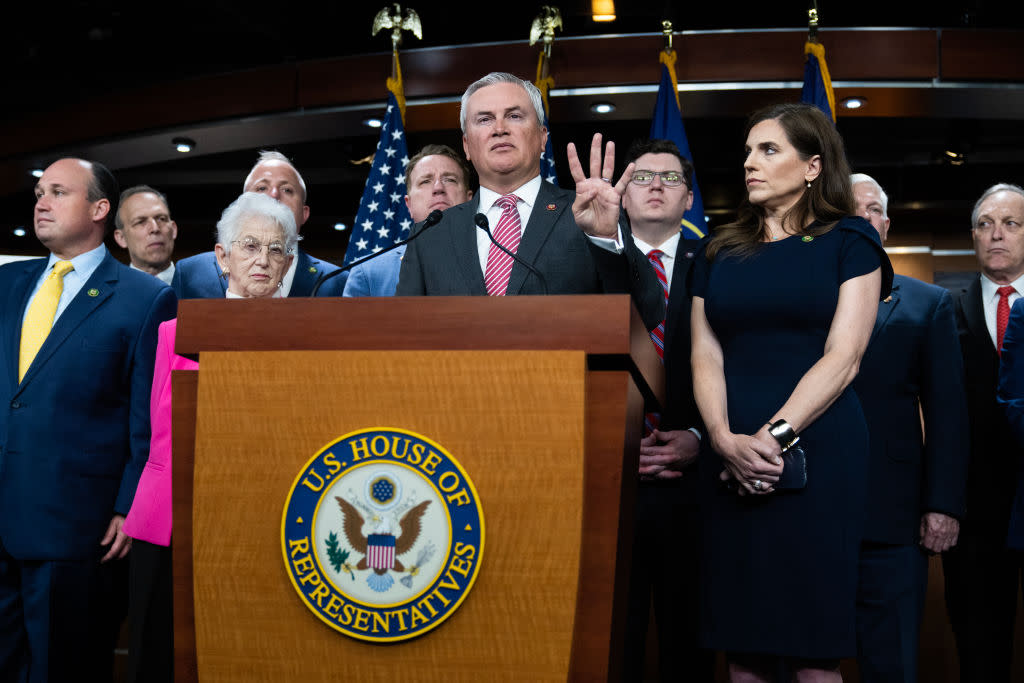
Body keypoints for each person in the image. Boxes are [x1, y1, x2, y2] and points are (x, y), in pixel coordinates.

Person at [689, 103, 892, 681]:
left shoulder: (850, 240)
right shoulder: (719, 249)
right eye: (748, 151)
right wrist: (724, 441)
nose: (749, 163)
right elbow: (705, 355)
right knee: (742, 645)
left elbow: (845, 356)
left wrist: (771, 440)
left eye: (768, 150)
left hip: (818, 454)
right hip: (729, 455)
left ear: (812, 166)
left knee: (813, 648)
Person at [0, 158, 177, 682]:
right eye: (39, 192)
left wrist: (129, 505)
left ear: (100, 209)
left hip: (79, 527)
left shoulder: (146, 298)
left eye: (58, 191)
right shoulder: (7, 283)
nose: (41, 202)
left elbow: (147, 416)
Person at [122, 191, 299, 682]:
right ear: (222, 257)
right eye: (249, 246)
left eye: (276, 249)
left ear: (288, 263)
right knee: (157, 658)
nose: (262, 260)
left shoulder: (303, 341)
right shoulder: (170, 332)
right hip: (170, 516)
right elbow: (145, 432)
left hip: (263, 519)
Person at [394, 71, 663, 331]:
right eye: (485, 119)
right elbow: (401, 331)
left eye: (514, 116)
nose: (499, 129)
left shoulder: (587, 214)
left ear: (542, 137)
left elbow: (648, 312)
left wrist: (605, 238)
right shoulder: (431, 234)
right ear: (466, 145)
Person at [849, 173, 969, 683]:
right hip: (806, 507)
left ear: (886, 224)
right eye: (848, 208)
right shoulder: (803, 295)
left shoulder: (927, 303)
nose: (862, 218)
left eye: (872, 209)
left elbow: (947, 411)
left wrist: (942, 504)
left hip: (894, 514)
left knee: (892, 662)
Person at [619, 138, 714, 681]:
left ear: (688, 197)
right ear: (623, 193)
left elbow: (742, 366)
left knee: (690, 647)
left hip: (694, 490)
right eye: (643, 176)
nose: (656, 185)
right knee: (613, 643)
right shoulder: (589, 261)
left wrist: (700, 437)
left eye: (670, 178)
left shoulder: (721, 264)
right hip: (611, 484)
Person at [944, 182, 1024, 682]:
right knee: (979, 651)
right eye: (984, 225)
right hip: (974, 514)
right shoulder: (942, 309)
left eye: (1011, 224)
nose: (996, 235)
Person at [172, 150, 345, 298]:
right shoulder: (190, 272)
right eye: (262, 188)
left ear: (304, 213)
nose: (273, 195)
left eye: (287, 190)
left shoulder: (336, 281)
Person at [344, 144, 474, 297]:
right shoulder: (368, 274)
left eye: (450, 180)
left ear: (469, 200)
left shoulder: (498, 263)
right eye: (425, 181)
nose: (438, 187)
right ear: (409, 204)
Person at [114, 185, 177, 285]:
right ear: (121, 238)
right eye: (140, 222)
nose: (155, 228)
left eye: (161, 218)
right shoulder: (104, 295)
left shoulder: (203, 289)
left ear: (173, 230)